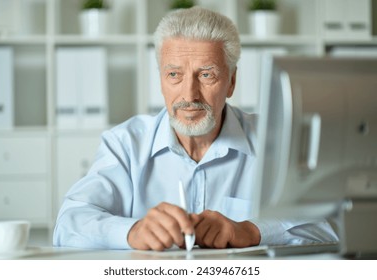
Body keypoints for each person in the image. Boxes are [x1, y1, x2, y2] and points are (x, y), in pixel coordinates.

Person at [53, 7, 338, 251]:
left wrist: (252, 231)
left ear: (231, 82)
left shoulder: (274, 140)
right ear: (162, 79)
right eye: (174, 74)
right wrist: (132, 232)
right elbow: (68, 223)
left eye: (206, 75)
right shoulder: (125, 144)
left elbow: (334, 225)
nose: (189, 94)